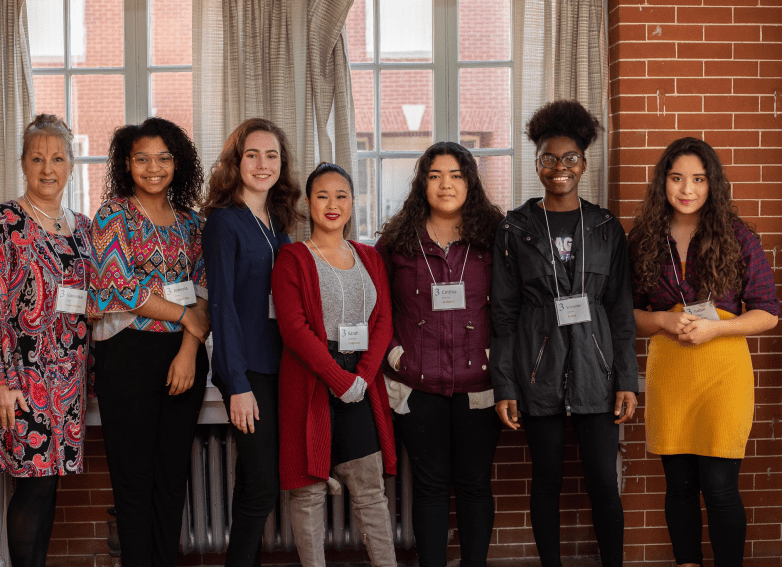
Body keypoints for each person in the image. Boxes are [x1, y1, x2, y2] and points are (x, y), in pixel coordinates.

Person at [491, 100, 638, 567]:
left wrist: (627, 380)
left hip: (597, 371)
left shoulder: (606, 227)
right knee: (547, 480)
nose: (560, 168)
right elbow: (504, 316)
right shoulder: (514, 228)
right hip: (539, 371)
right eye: (549, 159)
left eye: (569, 158)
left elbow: (620, 311)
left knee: (602, 481)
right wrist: (506, 384)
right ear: (536, 165)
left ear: (584, 163)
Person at [628, 137, 779, 567]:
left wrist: (717, 329)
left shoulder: (739, 237)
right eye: (677, 178)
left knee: (719, 486)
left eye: (698, 178)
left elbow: (768, 312)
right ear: (664, 183)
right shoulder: (643, 239)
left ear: (712, 184)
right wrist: (661, 321)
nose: (687, 189)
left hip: (724, 372)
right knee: (679, 486)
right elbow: (626, 314)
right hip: (671, 371)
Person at [375, 141, 504, 567]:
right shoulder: (397, 241)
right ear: (422, 185)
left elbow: (510, 307)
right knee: (429, 488)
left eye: (455, 175)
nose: (445, 184)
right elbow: (377, 307)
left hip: (479, 386)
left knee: (473, 484)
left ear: (469, 182)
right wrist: (396, 356)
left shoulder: (493, 238)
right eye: (435, 176)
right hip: (417, 384)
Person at [88, 117, 210, 567]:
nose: (153, 167)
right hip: (127, 358)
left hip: (184, 360)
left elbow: (205, 292)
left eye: (163, 158)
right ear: (127, 163)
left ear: (178, 163)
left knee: (171, 479)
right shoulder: (112, 215)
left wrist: (188, 349)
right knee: (134, 482)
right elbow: (116, 286)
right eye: (142, 158)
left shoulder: (192, 224)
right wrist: (185, 318)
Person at [271, 163, 397, 567]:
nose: (332, 204)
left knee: (369, 491)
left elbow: (383, 322)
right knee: (308, 495)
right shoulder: (292, 258)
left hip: (361, 382)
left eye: (341, 195)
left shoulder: (370, 257)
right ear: (308, 203)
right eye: (322, 196)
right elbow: (293, 328)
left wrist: (361, 377)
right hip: (311, 383)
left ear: (353, 202)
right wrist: (336, 378)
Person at [201, 118, 303, 566]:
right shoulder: (224, 222)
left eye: (272, 155)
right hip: (245, 369)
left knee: (255, 481)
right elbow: (220, 305)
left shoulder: (276, 222)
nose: (263, 164)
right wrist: (236, 383)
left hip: (278, 363)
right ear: (235, 162)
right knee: (262, 484)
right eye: (252, 155)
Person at [0, 114, 91, 567]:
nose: (47, 168)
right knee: (32, 484)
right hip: (24, 380)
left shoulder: (85, 228)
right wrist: (5, 382)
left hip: (71, 381)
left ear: (72, 166)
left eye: (57, 158)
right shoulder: (6, 222)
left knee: (50, 483)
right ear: (23, 164)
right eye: (37, 158)